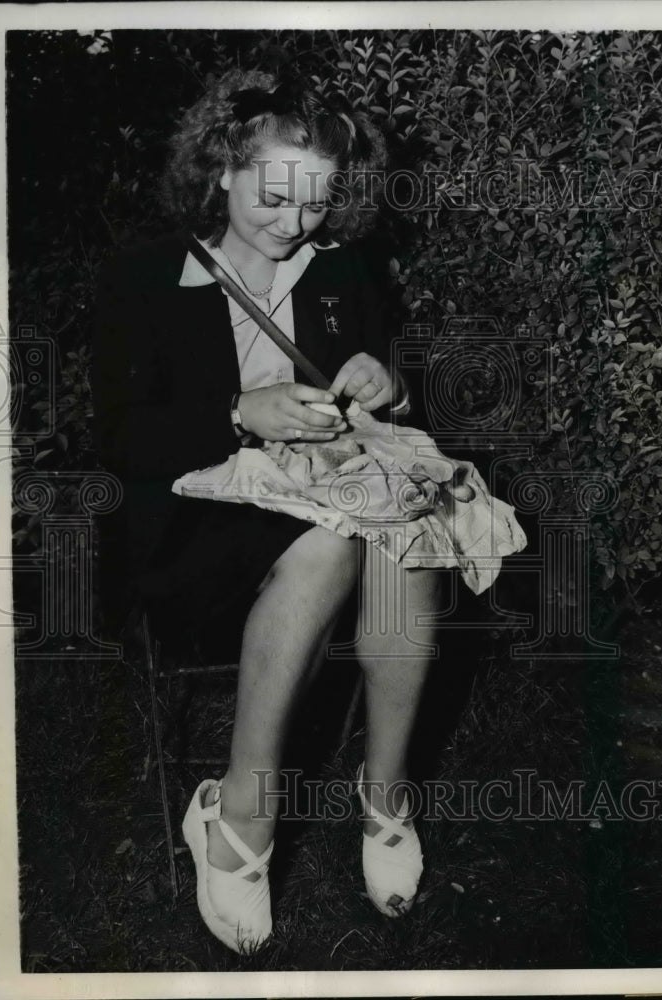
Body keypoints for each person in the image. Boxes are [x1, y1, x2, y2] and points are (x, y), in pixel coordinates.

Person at [93, 69, 442, 953]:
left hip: (319, 497)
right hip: (194, 528)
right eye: (275, 199)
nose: (294, 224)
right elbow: (117, 438)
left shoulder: (339, 269)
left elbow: (385, 393)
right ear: (221, 169)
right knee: (337, 540)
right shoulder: (144, 276)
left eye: (316, 204)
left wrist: (388, 385)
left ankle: (386, 795)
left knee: (402, 530)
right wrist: (237, 412)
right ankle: (242, 814)